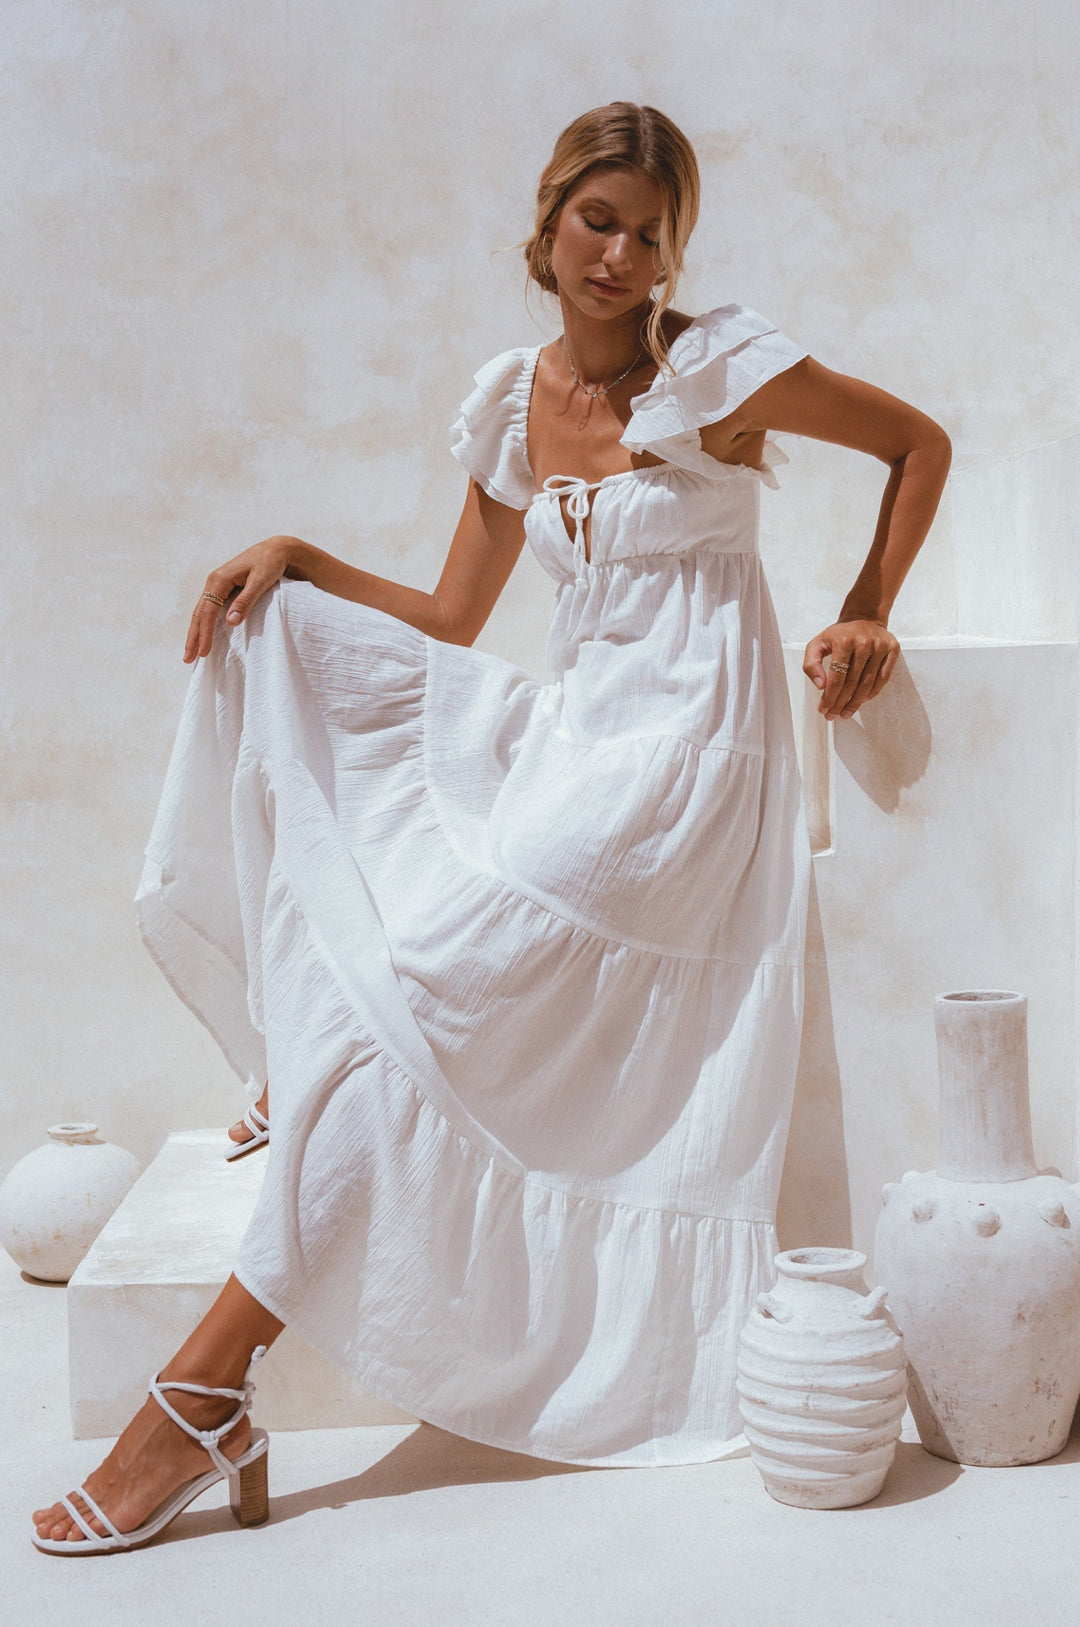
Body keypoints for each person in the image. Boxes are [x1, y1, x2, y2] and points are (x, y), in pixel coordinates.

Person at [32, 102, 950, 1551]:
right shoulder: (514, 401)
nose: (621, 254)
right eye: (599, 220)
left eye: (649, 231)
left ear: (673, 252)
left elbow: (917, 444)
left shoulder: (715, 370)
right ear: (550, 221)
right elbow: (451, 616)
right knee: (296, 672)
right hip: (581, 737)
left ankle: (198, 1394)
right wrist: (299, 559)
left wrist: (865, 609)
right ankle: (215, 1377)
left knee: (423, 991)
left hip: (686, 767)